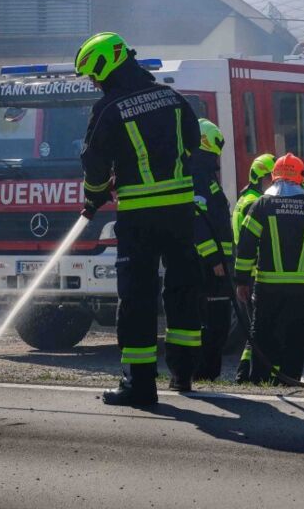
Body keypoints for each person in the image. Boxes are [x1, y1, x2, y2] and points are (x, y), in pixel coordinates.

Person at [76, 31, 222, 407]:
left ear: (106, 66)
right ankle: (183, 373)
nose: (93, 83)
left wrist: (95, 194)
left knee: (137, 298)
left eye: (93, 75)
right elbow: (192, 140)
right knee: (182, 290)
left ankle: (139, 385)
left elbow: (94, 163)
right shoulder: (172, 98)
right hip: (180, 212)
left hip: (139, 215)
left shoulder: (109, 108)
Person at [234, 153, 304, 383]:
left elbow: (246, 245)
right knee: (294, 335)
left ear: (274, 177)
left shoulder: (261, 205)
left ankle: (260, 379)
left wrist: (241, 280)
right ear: (301, 178)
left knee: (262, 332)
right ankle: (290, 378)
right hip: (300, 288)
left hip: (267, 286)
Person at [191, 119, 235, 381]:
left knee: (218, 320)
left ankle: (207, 373)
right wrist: (214, 258)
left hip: (216, 265)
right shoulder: (197, 176)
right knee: (211, 321)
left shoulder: (205, 176)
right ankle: (201, 372)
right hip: (205, 266)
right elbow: (196, 221)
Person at [232, 152, 276, 383]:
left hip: (248, 271)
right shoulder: (254, 202)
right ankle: (248, 373)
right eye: (271, 178)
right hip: (253, 272)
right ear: (260, 178)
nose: (274, 182)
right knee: (259, 326)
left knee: (256, 326)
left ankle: (245, 372)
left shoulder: (246, 198)